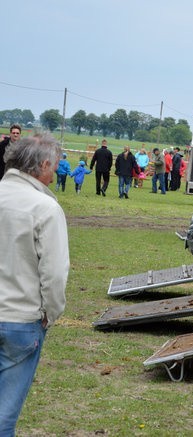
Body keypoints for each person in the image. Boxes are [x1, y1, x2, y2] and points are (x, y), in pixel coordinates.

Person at [0, 133, 69, 435]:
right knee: (4, 415)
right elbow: (54, 273)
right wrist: (50, 314)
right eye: (54, 166)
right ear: (42, 165)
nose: (54, 173)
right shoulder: (45, 208)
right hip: (20, 320)